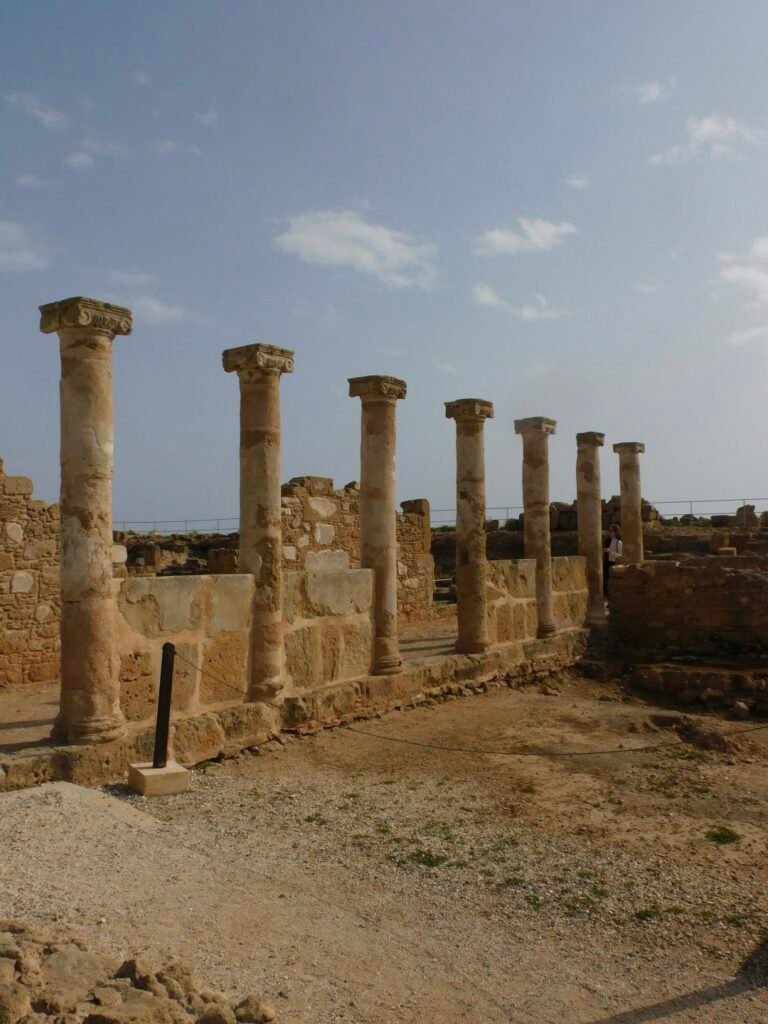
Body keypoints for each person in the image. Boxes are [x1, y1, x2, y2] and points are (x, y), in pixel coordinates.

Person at [603, 524, 622, 597]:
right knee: (605, 581)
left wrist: (610, 551)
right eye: (609, 531)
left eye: (611, 531)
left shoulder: (618, 542)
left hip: (613, 563)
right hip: (607, 562)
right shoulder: (608, 541)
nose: (609, 532)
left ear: (615, 532)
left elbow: (620, 555)